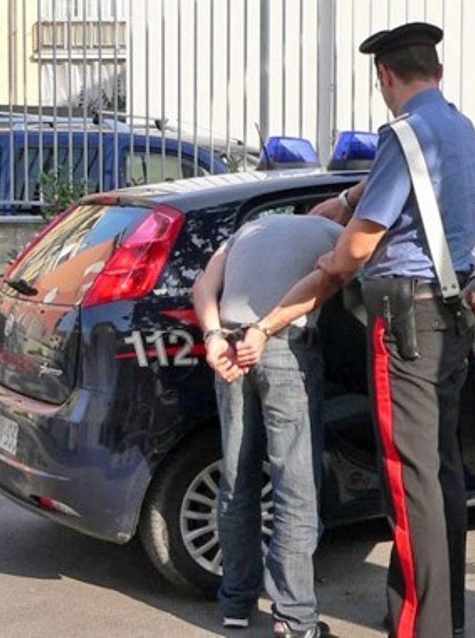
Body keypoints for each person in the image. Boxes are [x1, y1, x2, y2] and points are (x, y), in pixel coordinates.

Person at [251, 22, 475, 637]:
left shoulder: (402, 135)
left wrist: (329, 259)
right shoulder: (458, 128)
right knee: (439, 472)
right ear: (436, 71)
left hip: (406, 321)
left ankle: (419, 628)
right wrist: (349, 198)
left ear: (384, 75)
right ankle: (444, 619)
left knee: (409, 483)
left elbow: (357, 249)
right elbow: (407, 190)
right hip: (451, 314)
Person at [192, 213, 343, 638]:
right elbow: (335, 279)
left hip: (227, 345)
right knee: (295, 485)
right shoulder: (335, 233)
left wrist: (213, 337)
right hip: (282, 348)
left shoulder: (249, 229)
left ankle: (235, 604)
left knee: (236, 480)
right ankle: (295, 618)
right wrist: (263, 329)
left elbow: (202, 286)